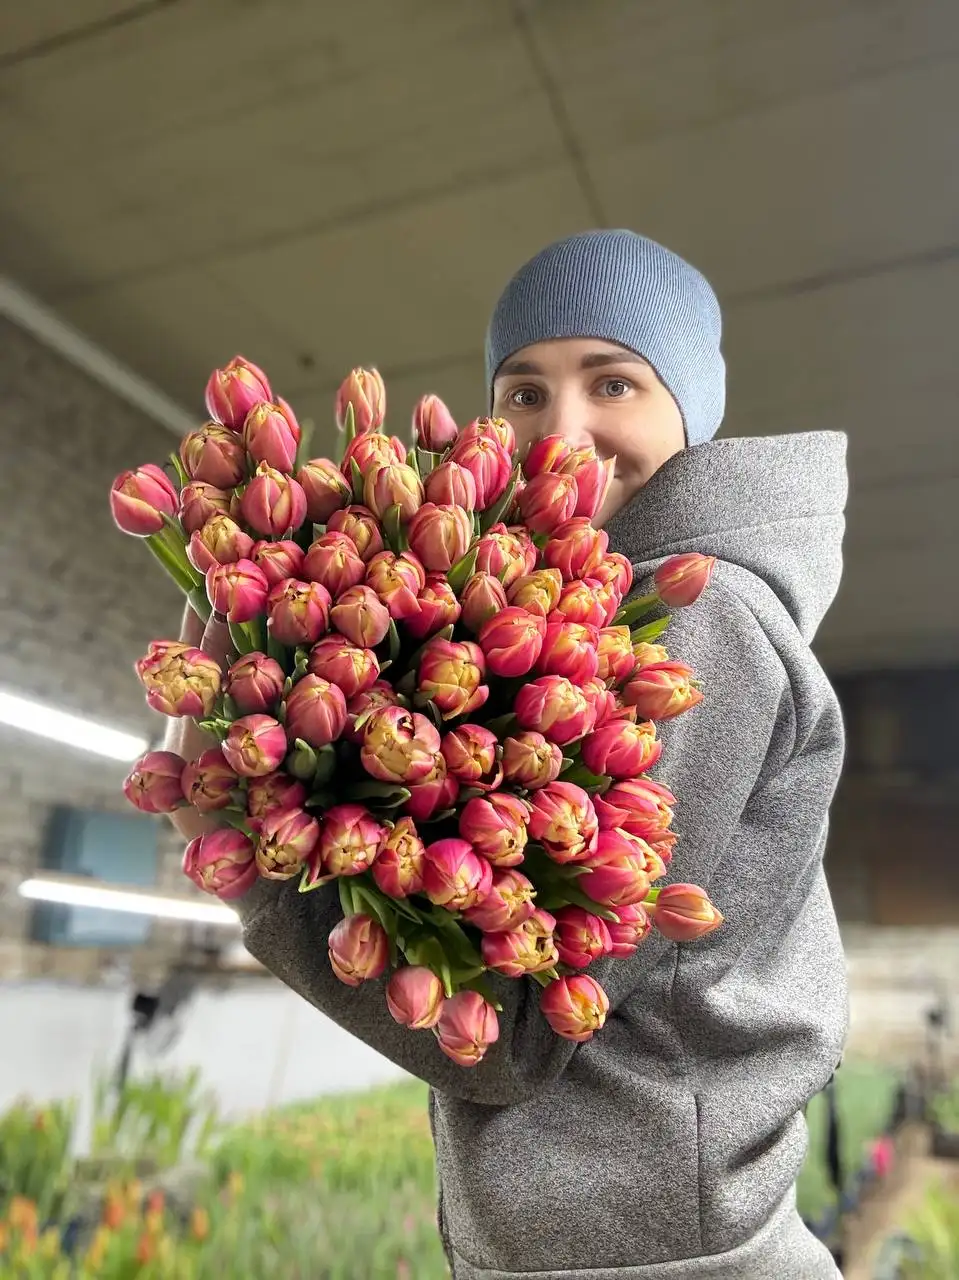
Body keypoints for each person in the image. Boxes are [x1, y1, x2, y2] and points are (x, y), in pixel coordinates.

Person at [167, 229, 849, 1279]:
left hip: (657, 1254)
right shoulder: (582, 611)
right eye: (524, 392)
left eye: (612, 381)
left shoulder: (705, 618)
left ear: (691, 407)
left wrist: (247, 866)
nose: (563, 432)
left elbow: (519, 1034)